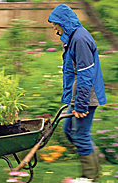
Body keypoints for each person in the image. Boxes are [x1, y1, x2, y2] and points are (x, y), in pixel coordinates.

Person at [48, 4, 106, 181]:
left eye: (55, 23)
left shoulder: (80, 39)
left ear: (63, 22)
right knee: (69, 130)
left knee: (80, 136)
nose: (53, 27)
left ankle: (89, 177)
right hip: (79, 95)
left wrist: (80, 106)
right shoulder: (73, 37)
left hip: (86, 97)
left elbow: (86, 74)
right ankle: (96, 162)